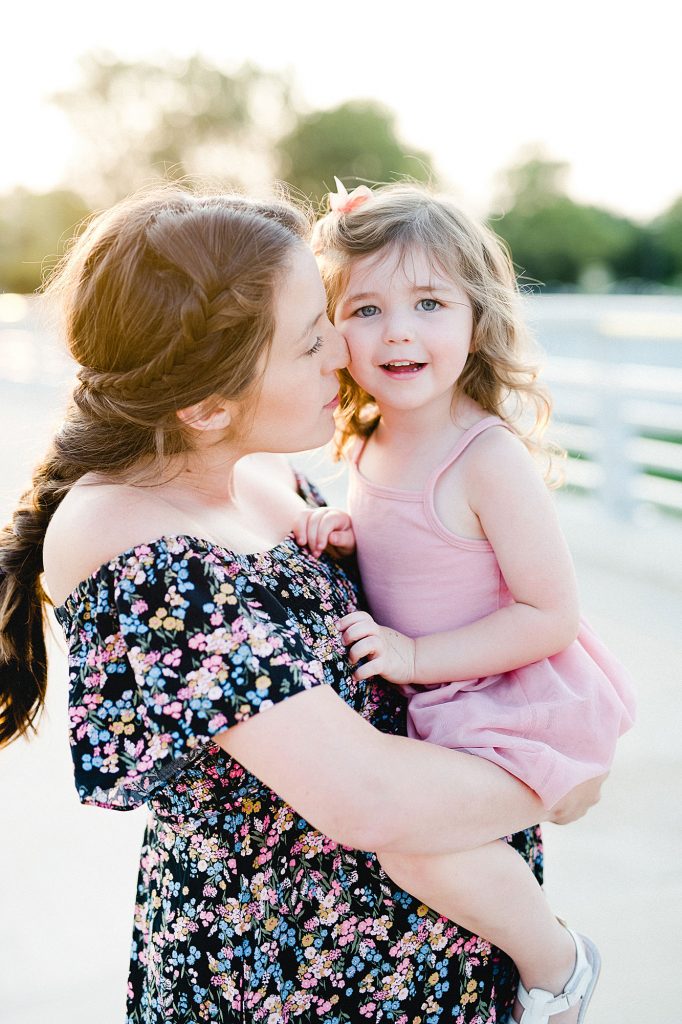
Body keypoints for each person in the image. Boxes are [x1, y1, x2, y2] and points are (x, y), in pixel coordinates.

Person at [0, 186, 601, 1024]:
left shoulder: (252, 468)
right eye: (314, 338)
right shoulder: (140, 550)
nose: (341, 358)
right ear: (206, 405)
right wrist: (556, 781)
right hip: (302, 992)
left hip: (435, 966)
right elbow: (368, 799)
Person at [302, 181, 637, 1024]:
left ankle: (559, 963)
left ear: (475, 318)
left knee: (409, 845)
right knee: (412, 837)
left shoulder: (485, 457)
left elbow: (548, 614)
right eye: (365, 308)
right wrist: (343, 532)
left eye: (428, 303)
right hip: (444, 703)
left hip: (506, 699)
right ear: (327, 328)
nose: (400, 330)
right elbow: (407, 546)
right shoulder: (370, 435)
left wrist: (416, 659)